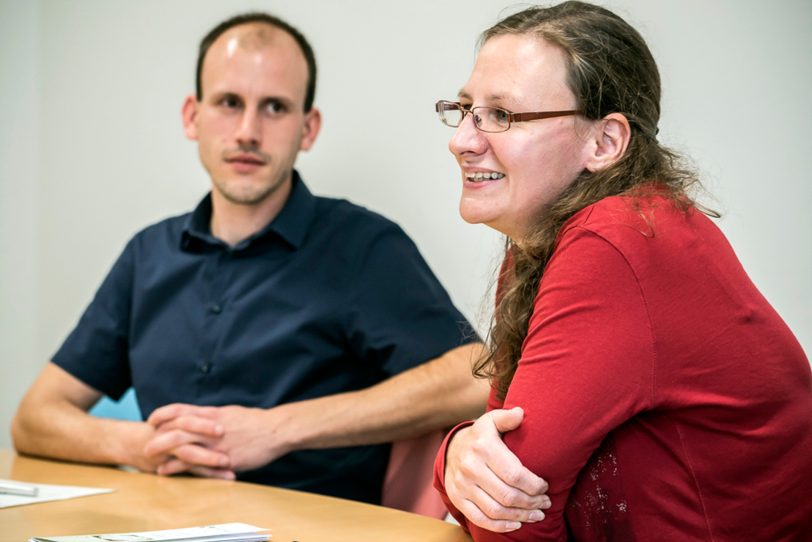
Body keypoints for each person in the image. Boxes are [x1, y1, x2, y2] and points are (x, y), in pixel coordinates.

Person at [11, 12, 488, 505]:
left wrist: (275, 430)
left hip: (319, 530)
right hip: (159, 526)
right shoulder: (147, 256)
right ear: (192, 117)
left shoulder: (362, 246)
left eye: (275, 107)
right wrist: (145, 445)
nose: (247, 131)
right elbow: (35, 417)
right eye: (229, 103)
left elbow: (477, 375)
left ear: (308, 127)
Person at [431, 2, 812, 540]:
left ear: (605, 143)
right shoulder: (547, 235)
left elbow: (510, 510)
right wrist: (456, 457)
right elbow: (499, 465)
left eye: (503, 115)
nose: (462, 140)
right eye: (466, 109)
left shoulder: (617, 240)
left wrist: (458, 464)